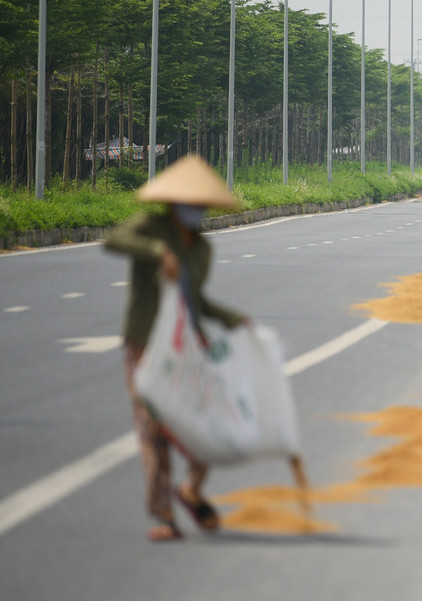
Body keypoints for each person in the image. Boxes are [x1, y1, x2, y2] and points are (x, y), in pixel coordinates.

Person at [104, 154, 246, 542]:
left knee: (206, 421)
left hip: (186, 347)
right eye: (188, 203)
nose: (194, 210)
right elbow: (115, 239)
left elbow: (195, 300)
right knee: (153, 428)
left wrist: (232, 318)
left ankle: (191, 488)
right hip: (144, 344)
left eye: (199, 204)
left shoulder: (201, 248)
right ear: (172, 202)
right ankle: (163, 512)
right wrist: (156, 252)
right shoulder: (149, 227)